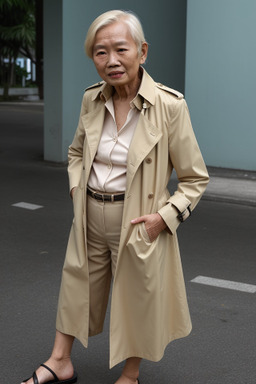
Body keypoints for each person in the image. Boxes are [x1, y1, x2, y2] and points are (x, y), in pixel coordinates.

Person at [21, 9, 209, 384]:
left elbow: (194, 179)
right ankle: (60, 361)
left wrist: (163, 218)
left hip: (139, 220)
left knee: (137, 296)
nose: (111, 61)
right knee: (76, 285)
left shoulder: (170, 107)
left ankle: (131, 374)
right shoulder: (91, 100)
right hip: (90, 211)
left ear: (142, 52)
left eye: (120, 49)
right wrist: (77, 189)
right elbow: (76, 153)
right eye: (100, 52)